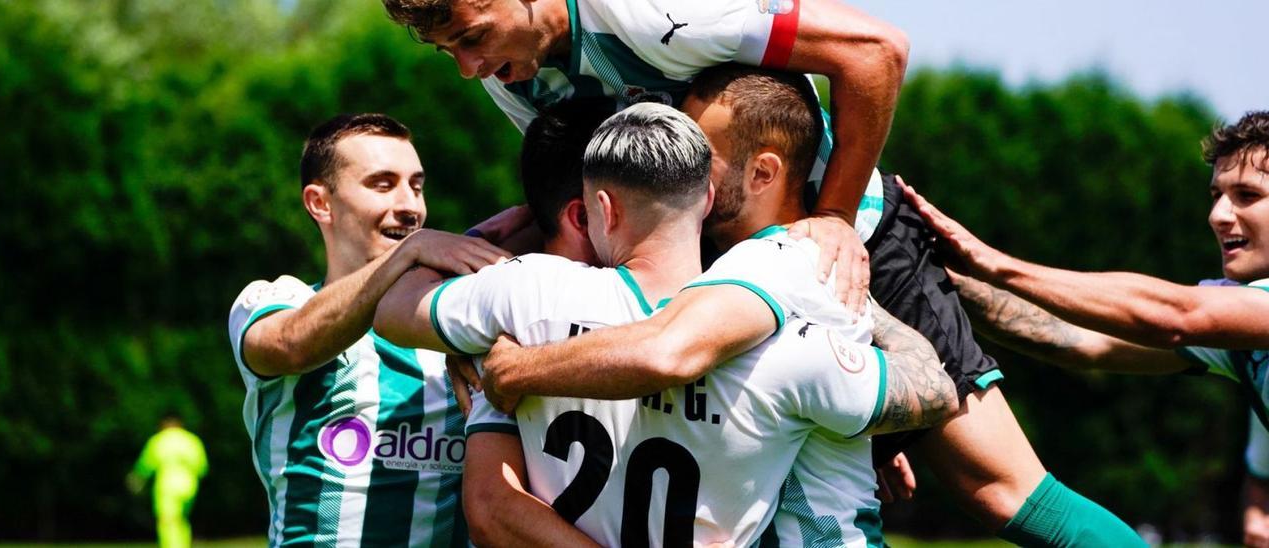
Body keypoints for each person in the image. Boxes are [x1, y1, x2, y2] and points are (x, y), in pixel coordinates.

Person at [471, 63, 1143, 546]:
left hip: (877, 249)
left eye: (699, 154)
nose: (678, 165)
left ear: (762, 173)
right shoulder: (712, 253)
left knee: (1007, 492)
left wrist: (515, 369)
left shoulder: (811, 263)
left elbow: (670, 353)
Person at [373, 102, 955, 545]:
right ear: (706, 197)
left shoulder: (525, 300)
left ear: (601, 209)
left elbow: (394, 312)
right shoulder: (789, 344)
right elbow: (934, 390)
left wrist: (464, 256)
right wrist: (855, 306)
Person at [382, 0, 911, 313]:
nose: (467, 68)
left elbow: (873, 52)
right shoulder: (512, 73)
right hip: (719, 281)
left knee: (988, 482)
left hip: (847, 244)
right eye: (448, 49)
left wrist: (835, 217)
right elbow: (585, 200)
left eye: (472, 37)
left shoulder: (655, 9)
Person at [898, 110, 1269, 546]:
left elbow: (1179, 316)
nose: (1218, 215)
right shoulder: (1243, 329)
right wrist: (935, 281)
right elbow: (1074, 339)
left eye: (1246, 195)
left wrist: (995, 263)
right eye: (1216, 195)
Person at [225, 113, 513, 546]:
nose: (411, 206)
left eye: (416, 186)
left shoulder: (460, 329)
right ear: (320, 203)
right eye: (382, 184)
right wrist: (409, 254)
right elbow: (288, 346)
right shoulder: (276, 300)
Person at [127, 415, 208, 548]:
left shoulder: (159, 440)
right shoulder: (192, 440)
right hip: (189, 485)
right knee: (181, 520)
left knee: (167, 521)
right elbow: (202, 468)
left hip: (167, 486)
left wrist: (137, 478)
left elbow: (146, 464)